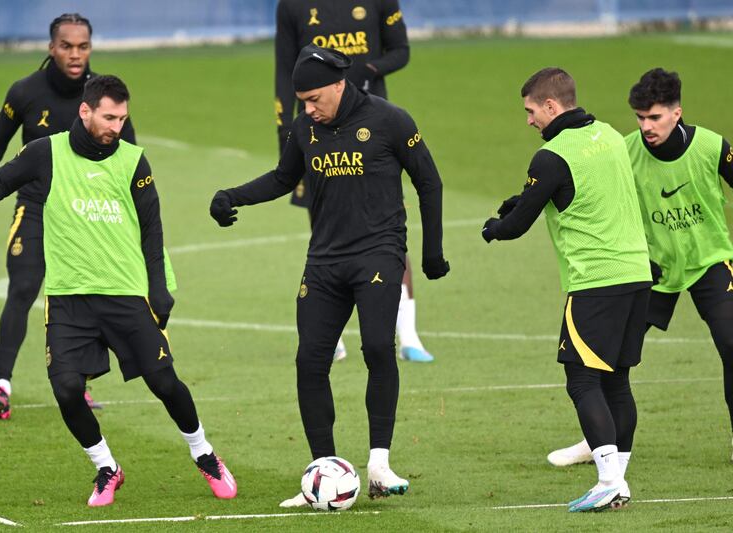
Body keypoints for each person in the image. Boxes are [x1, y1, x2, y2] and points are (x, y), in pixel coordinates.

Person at [0, 75, 236, 506]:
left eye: (122, 118)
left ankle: (204, 453)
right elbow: (1, 183)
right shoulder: (46, 153)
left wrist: (159, 288)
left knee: (164, 381)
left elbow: (152, 229)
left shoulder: (134, 161)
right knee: (65, 388)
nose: (116, 126)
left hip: (126, 292)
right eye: (109, 117)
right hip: (69, 297)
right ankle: (106, 467)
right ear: (86, 111)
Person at [210, 45, 449, 505]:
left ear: (340, 85)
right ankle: (324, 470)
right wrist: (231, 196)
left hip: (378, 255)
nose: (308, 108)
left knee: (378, 347)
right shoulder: (305, 129)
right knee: (309, 362)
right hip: (324, 261)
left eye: (315, 98)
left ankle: (379, 464)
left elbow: (428, 181)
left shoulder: (391, 120)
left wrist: (432, 253)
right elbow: (283, 178)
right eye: (302, 100)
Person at [481, 67, 652, 512]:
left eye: (531, 111)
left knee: (581, 379)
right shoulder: (612, 135)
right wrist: (524, 200)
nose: (529, 120)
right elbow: (580, 191)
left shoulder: (553, 156)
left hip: (596, 282)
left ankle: (609, 480)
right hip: (637, 275)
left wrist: (494, 228)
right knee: (617, 379)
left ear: (552, 107)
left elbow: (518, 226)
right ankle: (618, 480)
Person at [547, 68, 733, 467]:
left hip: (710, 262)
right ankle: (597, 438)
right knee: (602, 358)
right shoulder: (622, 151)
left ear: (677, 113)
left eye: (654, 117)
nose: (646, 126)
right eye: (639, 117)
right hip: (647, 270)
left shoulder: (713, 147)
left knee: (732, 344)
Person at [0, 13, 136, 419]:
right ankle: (1, 386)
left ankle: (80, 385)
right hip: (34, 209)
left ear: (91, 47)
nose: (76, 54)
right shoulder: (25, 92)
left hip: (89, 216)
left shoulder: (105, 97)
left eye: (83, 46)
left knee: (87, 298)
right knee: (22, 288)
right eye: (67, 46)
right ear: (51, 47)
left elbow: (130, 159)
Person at [274, 0, 433, 362]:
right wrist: (285, 137)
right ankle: (332, 335)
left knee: (390, 227)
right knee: (325, 230)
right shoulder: (291, 6)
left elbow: (401, 51)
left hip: (374, 132)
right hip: (318, 133)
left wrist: (369, 67)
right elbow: (284, 72)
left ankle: (408, 333)